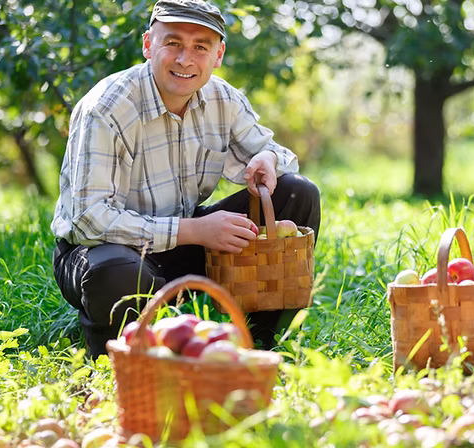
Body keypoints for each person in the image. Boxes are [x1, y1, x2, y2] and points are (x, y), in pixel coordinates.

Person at [50, 0, 321, 359]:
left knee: (297, 192)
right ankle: (119, 355)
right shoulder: (107, 108)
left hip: (187, 241)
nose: (185, 59)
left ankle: (261, 341)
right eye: (173, 43)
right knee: (117, 270)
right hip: (107, 251)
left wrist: (267, 159)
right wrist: (195, 231)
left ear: (218, 55)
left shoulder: (222, 99)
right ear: (148, 44)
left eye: (200, 47)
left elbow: (277, 154)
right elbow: (89, 220)